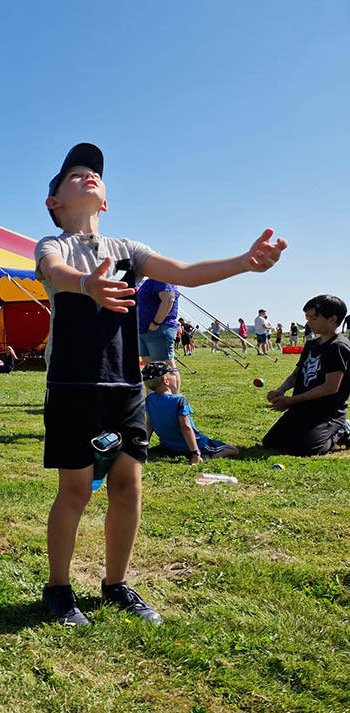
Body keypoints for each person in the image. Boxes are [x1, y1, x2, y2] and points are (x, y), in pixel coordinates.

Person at [35, 141, 286, 627]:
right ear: (54, 203)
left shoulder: (129, 250)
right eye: (74, 174)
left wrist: (244, 262)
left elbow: (185, 273)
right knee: (77, 490)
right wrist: (87, 284)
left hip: (126, 386)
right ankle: (59, 590)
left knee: (128, 486)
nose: (88, 176)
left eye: (95, 174)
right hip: (72, 387)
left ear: (105, 200)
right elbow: (55, 272)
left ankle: (116, 584)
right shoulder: (54, 246)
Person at [263, 295, 350, 456]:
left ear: (332, 319)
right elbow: (297, 374)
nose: (308, 322)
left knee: (308, 449)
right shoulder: (311, 345)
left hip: (326, 412)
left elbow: (330, 387)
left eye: (314, 318)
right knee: (271, 443)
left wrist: (290, 401)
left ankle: (343, 429)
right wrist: (281, 390)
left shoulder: (338, 347)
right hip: (302, 408)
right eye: (307, 318)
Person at [142, 361, 238, 463]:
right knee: (233, 449)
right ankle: (206, 457)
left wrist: (143, 447)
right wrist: (195, 453)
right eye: (172, 374)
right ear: (166, 381)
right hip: (194, 445)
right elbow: (186, 428)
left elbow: (149, 425)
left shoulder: (149, 399)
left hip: (169, 445)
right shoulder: (179, 401)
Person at [136, 277, 180, 392]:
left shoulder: (161, 277)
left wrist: (156, 323)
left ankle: (173, 401)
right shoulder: (146, 282)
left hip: (159, 328)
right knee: (149, 368)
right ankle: (153, 400)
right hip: (143, 330)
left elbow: (169, 299)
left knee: (166, 366)